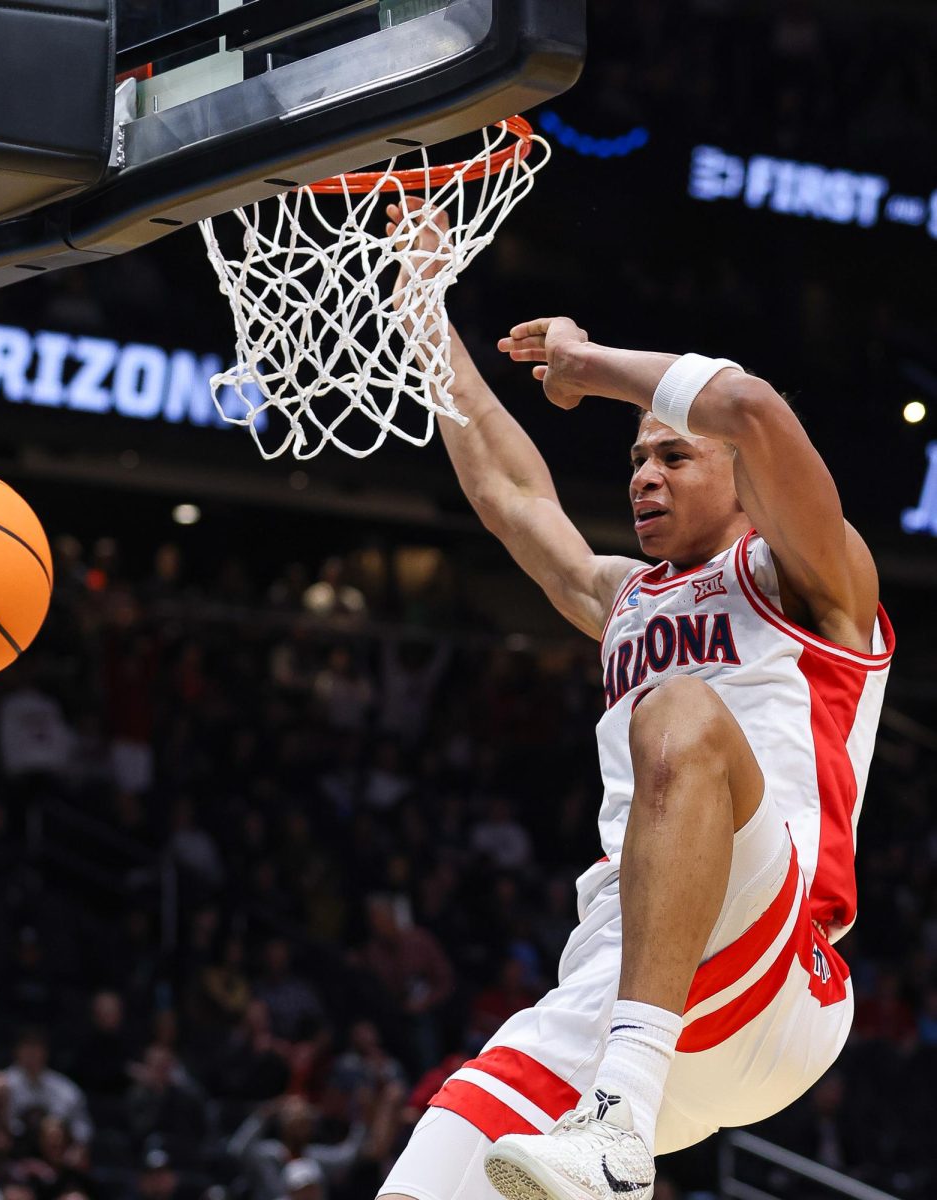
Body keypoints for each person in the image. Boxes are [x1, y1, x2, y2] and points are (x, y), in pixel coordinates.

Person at [376, 201, 893, 1200]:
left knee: (680, 712)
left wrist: (587, 365)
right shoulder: (621, 598)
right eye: (634, 461)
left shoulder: (814, 580)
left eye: (671, 456)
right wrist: (417, 307)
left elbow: (754, 413)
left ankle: (617, 1120)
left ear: (743, 482)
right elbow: (509, 495)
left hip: (774, 962)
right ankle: (615, 1120)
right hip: (614, 979)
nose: (644, 476)